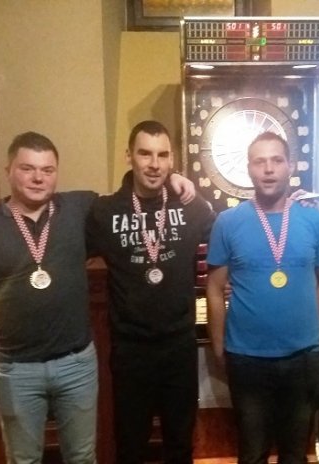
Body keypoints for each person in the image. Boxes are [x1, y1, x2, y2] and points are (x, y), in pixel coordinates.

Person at [0, 130, 195, 463]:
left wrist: (174, 178)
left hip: (76, 364)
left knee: (82, 457)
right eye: (27, 168)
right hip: (16, 369)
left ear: (57, 173)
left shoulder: (80, 207)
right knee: (23, 460)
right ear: (8, 170)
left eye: (47, 169)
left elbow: (137, 192)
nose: (38, 178)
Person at [85, 120, 215, 464]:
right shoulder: (104, 212)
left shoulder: (190, 206)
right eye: (145, 154)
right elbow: (59, 219)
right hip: (131, 351)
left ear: (172, 159)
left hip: (179, 346)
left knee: (180, 445)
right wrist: (6, 207)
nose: (154, 164)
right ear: (129, 156)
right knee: (130, 447)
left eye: (162, 155)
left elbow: (231, 233)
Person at [205, 131, 319, 464]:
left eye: (277, 160)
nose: (268, 169)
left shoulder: (314, 219)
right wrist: (219, 346)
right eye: (259, 161)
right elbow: (215, 288)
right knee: (252, 453)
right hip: (246, 357)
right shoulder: (228, 222)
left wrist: (310, 328)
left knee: (295, 453)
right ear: (248, 169)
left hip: (303, 357)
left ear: (290, 166)